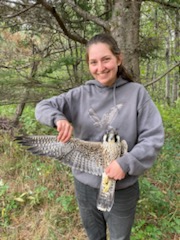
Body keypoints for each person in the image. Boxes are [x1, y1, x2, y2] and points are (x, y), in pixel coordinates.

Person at [35, 33, 164, 240]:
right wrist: (58, 119)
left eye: (106, 59)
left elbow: (153, 137)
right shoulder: (79, 95)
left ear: (118, 59)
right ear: (88, 65)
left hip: (122, 189)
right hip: (85, 186)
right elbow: (42, 107)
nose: (100, 67)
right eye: (93, 62)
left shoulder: (136, 93)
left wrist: (126, 162)